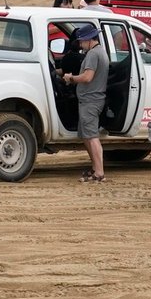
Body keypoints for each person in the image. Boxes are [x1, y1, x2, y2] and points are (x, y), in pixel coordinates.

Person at [61, 22, 108, 181]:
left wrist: (71, 78)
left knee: (92, 136)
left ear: (89, 39)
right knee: (87, 135)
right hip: (91, 100)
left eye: (81, 41)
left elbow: (87, 77)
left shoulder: (93, 55)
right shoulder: (101, 51)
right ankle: (95, 168)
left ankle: (99, 172)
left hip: (90, 101)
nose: (80, 44)